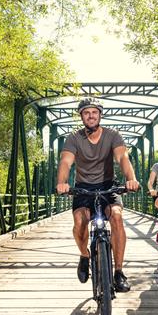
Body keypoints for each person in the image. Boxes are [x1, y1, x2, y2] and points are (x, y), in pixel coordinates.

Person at [55, 97, 140, 292]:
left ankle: (118, 272)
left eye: (94, 112)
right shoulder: (74, 138)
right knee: (79, 223)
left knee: (117, 218)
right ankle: (84, 255)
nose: (90, 116)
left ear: (100, 115)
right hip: (83, 188)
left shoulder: (112, 135)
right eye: (86, 113)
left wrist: (131, 178)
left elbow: (122, 157)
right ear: (82, 117)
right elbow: (66, 162)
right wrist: (62, 183)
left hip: (108, 187)